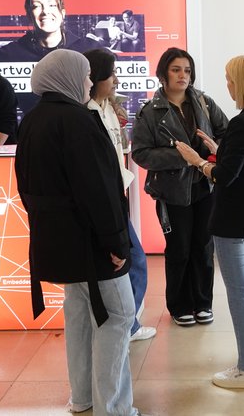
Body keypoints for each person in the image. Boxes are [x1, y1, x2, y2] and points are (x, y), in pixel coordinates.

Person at [14, 49, 144, 416]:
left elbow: (24, 185)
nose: (90, 82)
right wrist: (116, 242)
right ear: (70, 77)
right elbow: (100, 190)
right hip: (91, 244)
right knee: (118, 316)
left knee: (80, 317)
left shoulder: (34, 119)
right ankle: (114, 408)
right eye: (86, 75)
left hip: (58, 241)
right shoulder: (79, 121)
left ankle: (83, 399)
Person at [173, 54, 244, 390]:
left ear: (241, 82)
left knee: (240, 294)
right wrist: (218, 148)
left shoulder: (242, 123)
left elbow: (225, 176)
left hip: (235, 222)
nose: (227, 84)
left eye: (229, 78)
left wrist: (199, 161)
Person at [130, 48, 229, 326]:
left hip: (205, 186)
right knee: (179, 248)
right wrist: (180, 157)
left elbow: (226, 132)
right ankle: (179, 305)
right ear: (163, 75)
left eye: (187, 70)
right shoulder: (150, 112)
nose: (182, 75)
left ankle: (202, 303)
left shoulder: (204, 102)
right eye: (176, 69)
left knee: (203, 246)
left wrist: (213, 152)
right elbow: (141, 153)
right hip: (171, 192)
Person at [84, 47, 155, 343]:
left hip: (117, 195)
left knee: (132, 263)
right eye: (110, 73)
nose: (115, 79)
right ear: (96, 76)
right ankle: (124, 328)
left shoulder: (107, 108)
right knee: (133, 262)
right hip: (106, 201)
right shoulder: (86, 114)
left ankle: (128, 326)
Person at [0, 0, 101, 116]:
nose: (45, 11)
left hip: (81, 128)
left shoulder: (91, 49)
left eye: (51, 5)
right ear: (29, 15)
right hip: (36, 131)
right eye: (37, 6)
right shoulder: (9, 55)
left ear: (62, 13)